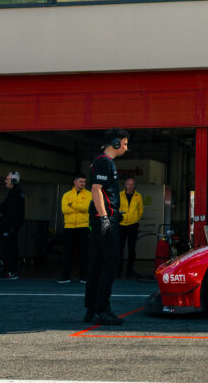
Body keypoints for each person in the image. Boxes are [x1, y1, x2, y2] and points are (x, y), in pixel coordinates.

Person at [84, 128, 129, 326]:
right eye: (124, 144)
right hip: (104, 219)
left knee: (97, 262)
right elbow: (96, 190)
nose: (126, 148)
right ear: (116, 143)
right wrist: (104, 218)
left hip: (103, 218)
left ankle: (92, 309)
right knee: (111, 262)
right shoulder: (104, 161)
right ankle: (102, 309)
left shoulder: (103, 161)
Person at [58, 175, 91, 284]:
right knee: (67, 253)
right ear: (75, 182)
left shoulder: (89, 194)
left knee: (84, 253)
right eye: (81, 181)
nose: (83, 183)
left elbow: (86, 208)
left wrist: (72, 204)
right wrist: (79, 207)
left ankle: (84, 277)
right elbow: (64, 210)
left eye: (84, 182)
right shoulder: (67, 195)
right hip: (69, 227)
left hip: (84, 227)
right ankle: (65, 277)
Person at [0, 172, 25, 280]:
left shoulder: (14, 193)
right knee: (12, 246)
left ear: (13, 181)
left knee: (10, 247)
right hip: (14, 224)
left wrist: (10, 224)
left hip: (11, 225)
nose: (5, 181)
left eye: (7, 179)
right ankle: (12, 270)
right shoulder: (19, 192)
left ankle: (12, 271)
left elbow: (4, 206)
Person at [118, 177, 144, 279]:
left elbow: (140, 210)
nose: (130, 186)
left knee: (131, 249)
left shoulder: (138, 196)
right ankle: (118, 270)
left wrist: (135, 219)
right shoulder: (119, 195)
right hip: (121, 225)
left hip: (133, 225)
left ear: (135, 185)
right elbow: (115, 208)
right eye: (128, 184)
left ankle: (130, 270)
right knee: (119, 248)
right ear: (125, 185)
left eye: (132, 184)